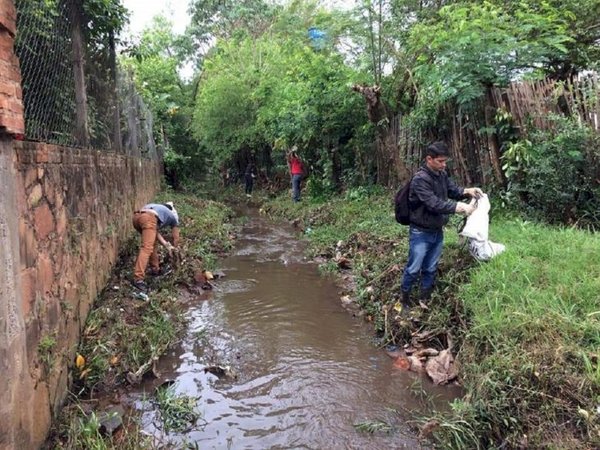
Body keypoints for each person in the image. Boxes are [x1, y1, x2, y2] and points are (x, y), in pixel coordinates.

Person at [400, 142, 483, 308]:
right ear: (429, 159)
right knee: (414, 267)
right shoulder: (420, 180)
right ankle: (404, 301)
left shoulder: (441, 174)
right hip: (420, 232)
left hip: (437, 230)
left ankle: (425, 299)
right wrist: (458, 207)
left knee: (431, 267)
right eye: (440, 161)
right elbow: (433, 203)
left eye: (445, 161)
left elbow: (452, 190)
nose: (444, 165)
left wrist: (467, 191)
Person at [132, 201, 180, 292]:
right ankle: (138, 279)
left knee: (152, 243)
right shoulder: (173, 216)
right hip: (148, 219)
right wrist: (175, 249)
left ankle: (155, 269)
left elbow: (154, 232)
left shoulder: (156, 208)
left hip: (136, 218)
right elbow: (176, 238)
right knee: (146, 248)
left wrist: (167, 245)